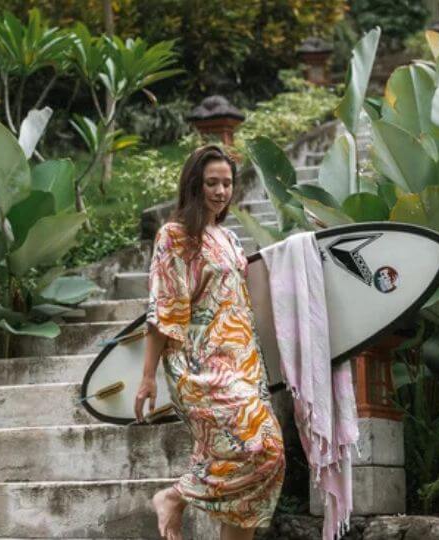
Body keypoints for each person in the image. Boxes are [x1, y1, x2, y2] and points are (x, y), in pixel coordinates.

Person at [134, 145, 286, 540]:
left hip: (244, 365)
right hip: (200, 366)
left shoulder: (231, 239)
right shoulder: (176, 236)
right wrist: (148, 377)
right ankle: (174, 496)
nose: (221, 191)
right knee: (262, 448)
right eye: (212, 183)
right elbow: (162, 309)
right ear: (194, 185)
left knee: (258, 471)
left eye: (227, 183)